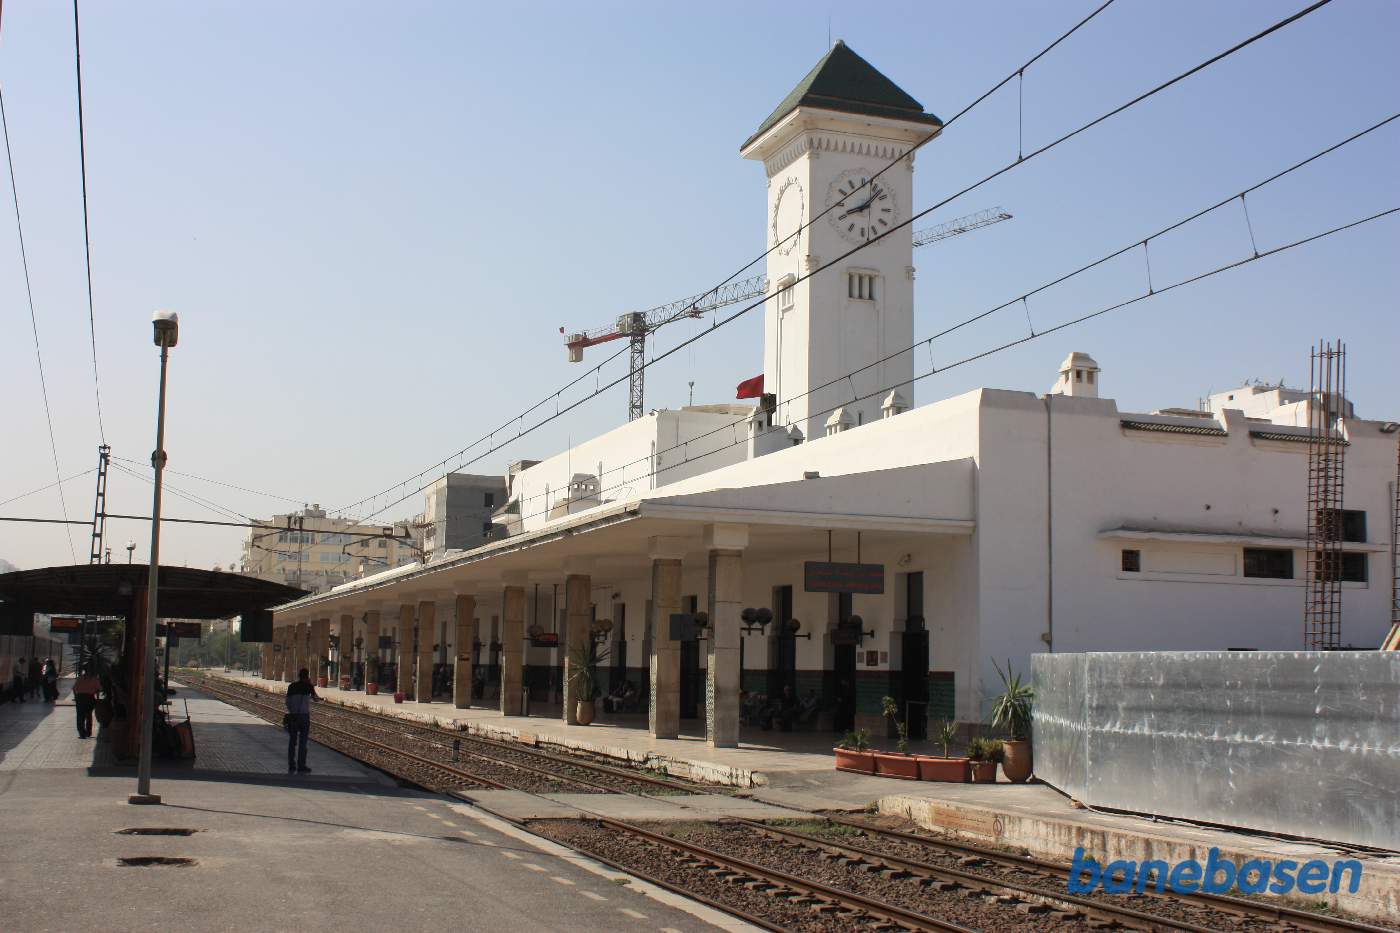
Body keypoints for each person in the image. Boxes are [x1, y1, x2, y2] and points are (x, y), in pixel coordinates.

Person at [285, 667, 319, 774]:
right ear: (307, 677)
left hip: (293, 716)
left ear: (299, 676)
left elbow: (287, 702)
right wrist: (311, 686)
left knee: (292, 742)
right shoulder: (308, 687)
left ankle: (291, 765)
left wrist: (292, 711)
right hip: (304, 717)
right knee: (303, 743)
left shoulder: (291, 686)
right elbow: (316, 699)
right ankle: (301, 765)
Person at [72, 666, 102, 738]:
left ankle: (82, 733)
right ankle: (88, 732)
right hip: (89, 698)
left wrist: (76, 697)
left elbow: (74, 688)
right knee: (88, 715)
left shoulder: (80, 678)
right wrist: (97, 699)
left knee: (80, 716)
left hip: (80, 698)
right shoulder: (94, 679)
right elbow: (98, 689)